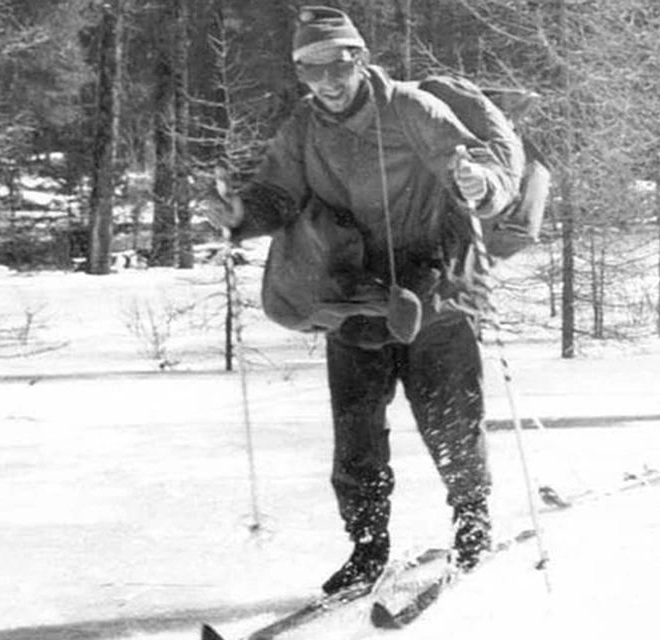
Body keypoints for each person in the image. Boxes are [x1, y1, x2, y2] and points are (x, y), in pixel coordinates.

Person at [209, 6, 525, 596]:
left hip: (432, 291)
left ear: (359, 57)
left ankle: (472, 523)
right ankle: (367, 546)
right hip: (354, 294)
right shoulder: (303, 127)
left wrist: (481, 185)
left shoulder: (410, 107)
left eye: (337, 64)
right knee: (355, 434)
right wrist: (241, 215)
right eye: (310, 69)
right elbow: (278, 193)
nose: (326, 81)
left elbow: (476, 166)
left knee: (451, 420)